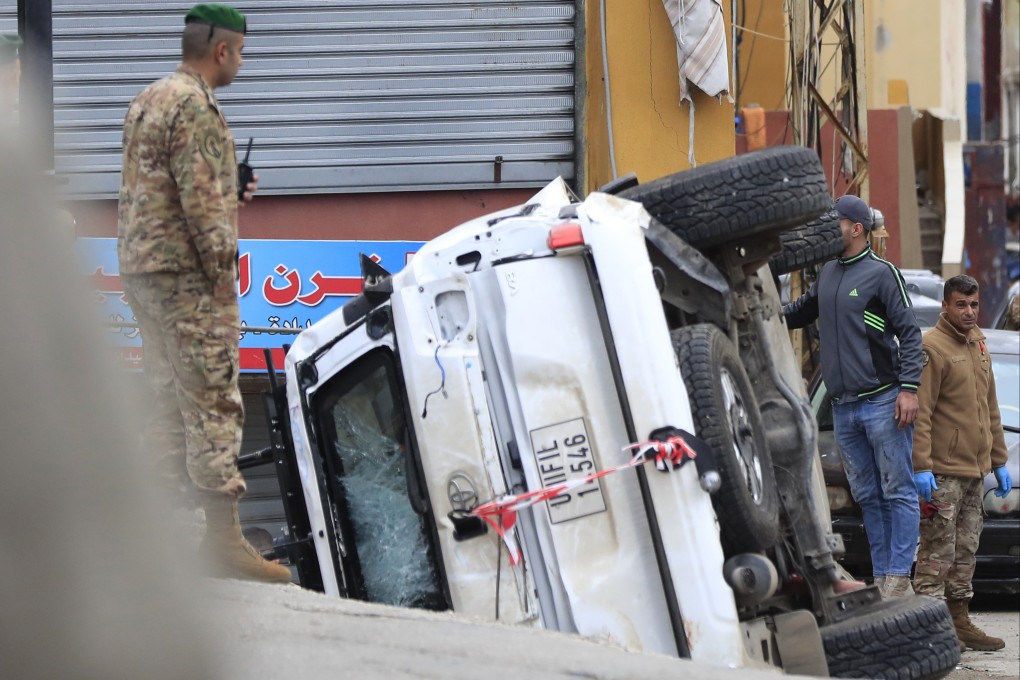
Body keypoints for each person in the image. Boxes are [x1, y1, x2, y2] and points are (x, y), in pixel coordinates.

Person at [118, 4, 289, 583]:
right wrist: (222, 278)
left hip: (143, 274)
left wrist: (227, 184)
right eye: (241, 52)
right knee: (216, 402)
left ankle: (146, 540)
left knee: (166, 404)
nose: (241, 62)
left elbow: (161, 185)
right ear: (223, 51)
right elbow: (200, 208)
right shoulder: (197, 106)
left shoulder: (150, 98)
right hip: (189, 281)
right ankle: (221, 542)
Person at [784, 194, 923, 598]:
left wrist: (909, 389)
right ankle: (883, 576)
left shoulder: (882, 274)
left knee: (898, 489)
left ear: (856, 228)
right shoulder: (827, 272)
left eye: (835, 223)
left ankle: (899, 577)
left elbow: (910, 334)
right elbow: (798, 311)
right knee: (867, 496)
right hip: (844, 409)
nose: (830, 230)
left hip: (884, 400)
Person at [911, 275, 1012, 651]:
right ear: (945, 305)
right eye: (961, 305)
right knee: (936, 553)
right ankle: (925, 631)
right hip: (942, 472)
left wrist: (998, 460)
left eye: (974, 304)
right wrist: (921, 466)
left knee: (965, 551)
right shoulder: (931, 348)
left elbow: (991, 408)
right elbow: (921, 413)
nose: (969, 312)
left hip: (975, 471)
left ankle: (959, 623)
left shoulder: (979, 344)